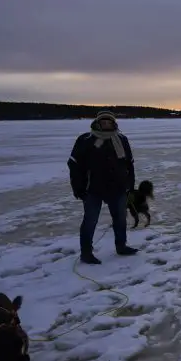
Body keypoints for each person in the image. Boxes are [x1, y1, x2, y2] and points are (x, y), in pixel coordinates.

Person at [67, 110, 139, 264]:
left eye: (109, 122)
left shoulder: (122, 139)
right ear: (97, 123)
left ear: (114, 123)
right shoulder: (85, 140)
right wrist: (78, 188)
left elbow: (129, 165)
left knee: (120, 219)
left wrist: (130, 186)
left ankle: (121, 246)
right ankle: (86, 253)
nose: (106, 124)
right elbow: (74, 165)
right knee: (90, 221)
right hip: (92, 189)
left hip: (118, 188)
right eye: (103, 122)